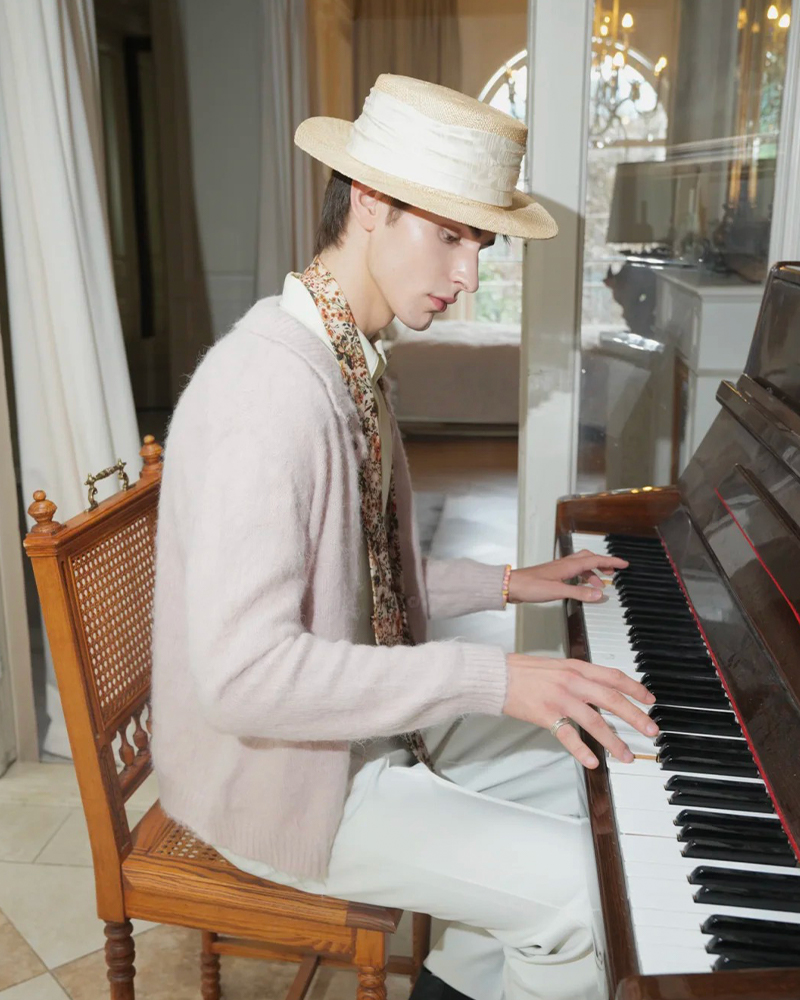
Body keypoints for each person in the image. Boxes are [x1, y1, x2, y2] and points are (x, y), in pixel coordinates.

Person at [151, 74, 658, 1000]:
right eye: (451, 236)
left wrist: (509, 582)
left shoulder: (346, 358)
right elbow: (243, 679)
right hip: (280, 782)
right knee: (587, 902)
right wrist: (491, 678)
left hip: (361, 730)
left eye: (481, 244)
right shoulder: (268, 392)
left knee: (610, 774)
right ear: (369, 203)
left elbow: (358, 575)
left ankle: (461, 976)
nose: (470, 277)